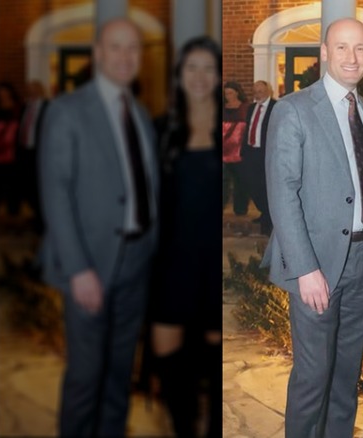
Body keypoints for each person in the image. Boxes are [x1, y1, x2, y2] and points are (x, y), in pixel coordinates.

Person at [261, 17, 363, 438]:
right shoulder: (293, 110)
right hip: (318, 266)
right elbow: (282, 195)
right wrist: (305, 269)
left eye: (361, 48)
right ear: (325, 54)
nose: (353, 57)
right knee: (314, 378)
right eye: (343, 48)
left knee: (347, 376)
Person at [37, 18, 158, 436]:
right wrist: (77, 270)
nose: (125, 57)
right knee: (86, 377)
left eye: (133, 49)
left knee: (120, 374)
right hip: (90, 266)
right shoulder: (67, 111)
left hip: (136, 261)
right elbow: (56, 193)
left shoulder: (138, 113)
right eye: (116, 47)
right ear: (98, 54)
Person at [150, 36, 222, 438]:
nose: (199, 76)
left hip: (212, 262)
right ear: (179, 75)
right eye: (191, 67)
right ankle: (182, 426)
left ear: (218, 75)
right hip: (171, 261)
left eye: (208, 68)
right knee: (166, 349)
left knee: (212, 358)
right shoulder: (162, 131)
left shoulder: (225, 130)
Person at [239, 80, 276, 235]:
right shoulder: (252, 108)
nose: (257, 94)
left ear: (268, 91)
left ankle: (268, 218)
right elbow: (248, 128)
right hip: (250, 152)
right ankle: (264, 211)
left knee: (265, 186)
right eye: (255, 91)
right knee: (251, 184)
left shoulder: (276, 107)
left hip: (266, 153)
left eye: (260, 91)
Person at [18, 80, 49, 233]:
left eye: (33, 89)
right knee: (28, 186)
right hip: (26, 151)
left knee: (39, 187)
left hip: (41, 152)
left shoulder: (48, 107)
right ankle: (35, 214)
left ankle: (42, 220)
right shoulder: (26, 107)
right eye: (28, 89)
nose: (30, 92)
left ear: (40, 90)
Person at [222, 80, 250, 216]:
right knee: (222, 182)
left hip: (241, 151)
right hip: (223, 151)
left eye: (231, 93)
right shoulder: (220, 107)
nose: (228, 96)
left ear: (237, 92)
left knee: (241, 182)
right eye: (226, 93)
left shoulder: (246, 107)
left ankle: (240, 209)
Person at [0, 82, 23, 220]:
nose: (2, 93)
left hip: (14, 154)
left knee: (13, 187)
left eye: (4, 90)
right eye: (0, 91)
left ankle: (13, 216)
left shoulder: (19, 108)